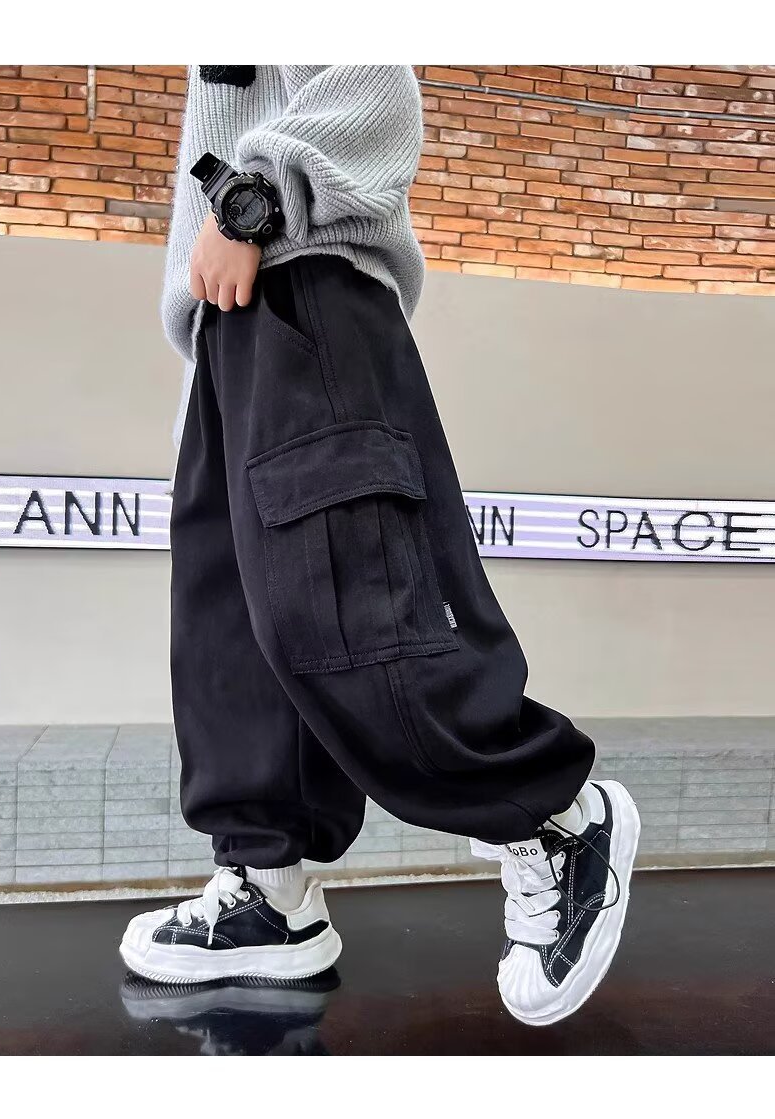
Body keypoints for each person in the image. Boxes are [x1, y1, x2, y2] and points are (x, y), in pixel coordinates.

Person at [119, 64, 640, 1027]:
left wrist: (250, 201)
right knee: (232, 632)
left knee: (344, 608)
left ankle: (555, 816)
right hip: (228, 329)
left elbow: (375, 89)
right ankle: (270, 891)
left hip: (300, 277)